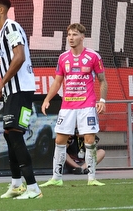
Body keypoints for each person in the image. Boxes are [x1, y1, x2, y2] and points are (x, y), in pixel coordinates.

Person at [0, 0, 41, 200]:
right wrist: (3, 87)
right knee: (10, 135)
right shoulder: (1, 33)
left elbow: (20, 56)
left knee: (15, 135)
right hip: (13, 92)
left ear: (1, 10)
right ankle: (17, 184)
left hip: (21, 91)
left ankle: (33, 188)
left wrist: (1, 82)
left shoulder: (10, 27)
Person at [40, 23, 107, 187]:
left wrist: (102, 101)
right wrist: (47, 99)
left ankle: (92, 178)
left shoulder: (93, 56)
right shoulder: (63, 58)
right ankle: (56, 178)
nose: (71, 37)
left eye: (74, 34)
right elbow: (57, 82)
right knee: (60, 140)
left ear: (82, 37)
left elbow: (102, 80)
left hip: (87, 105)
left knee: (90, 140)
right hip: (68, 107)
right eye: (69, 34)